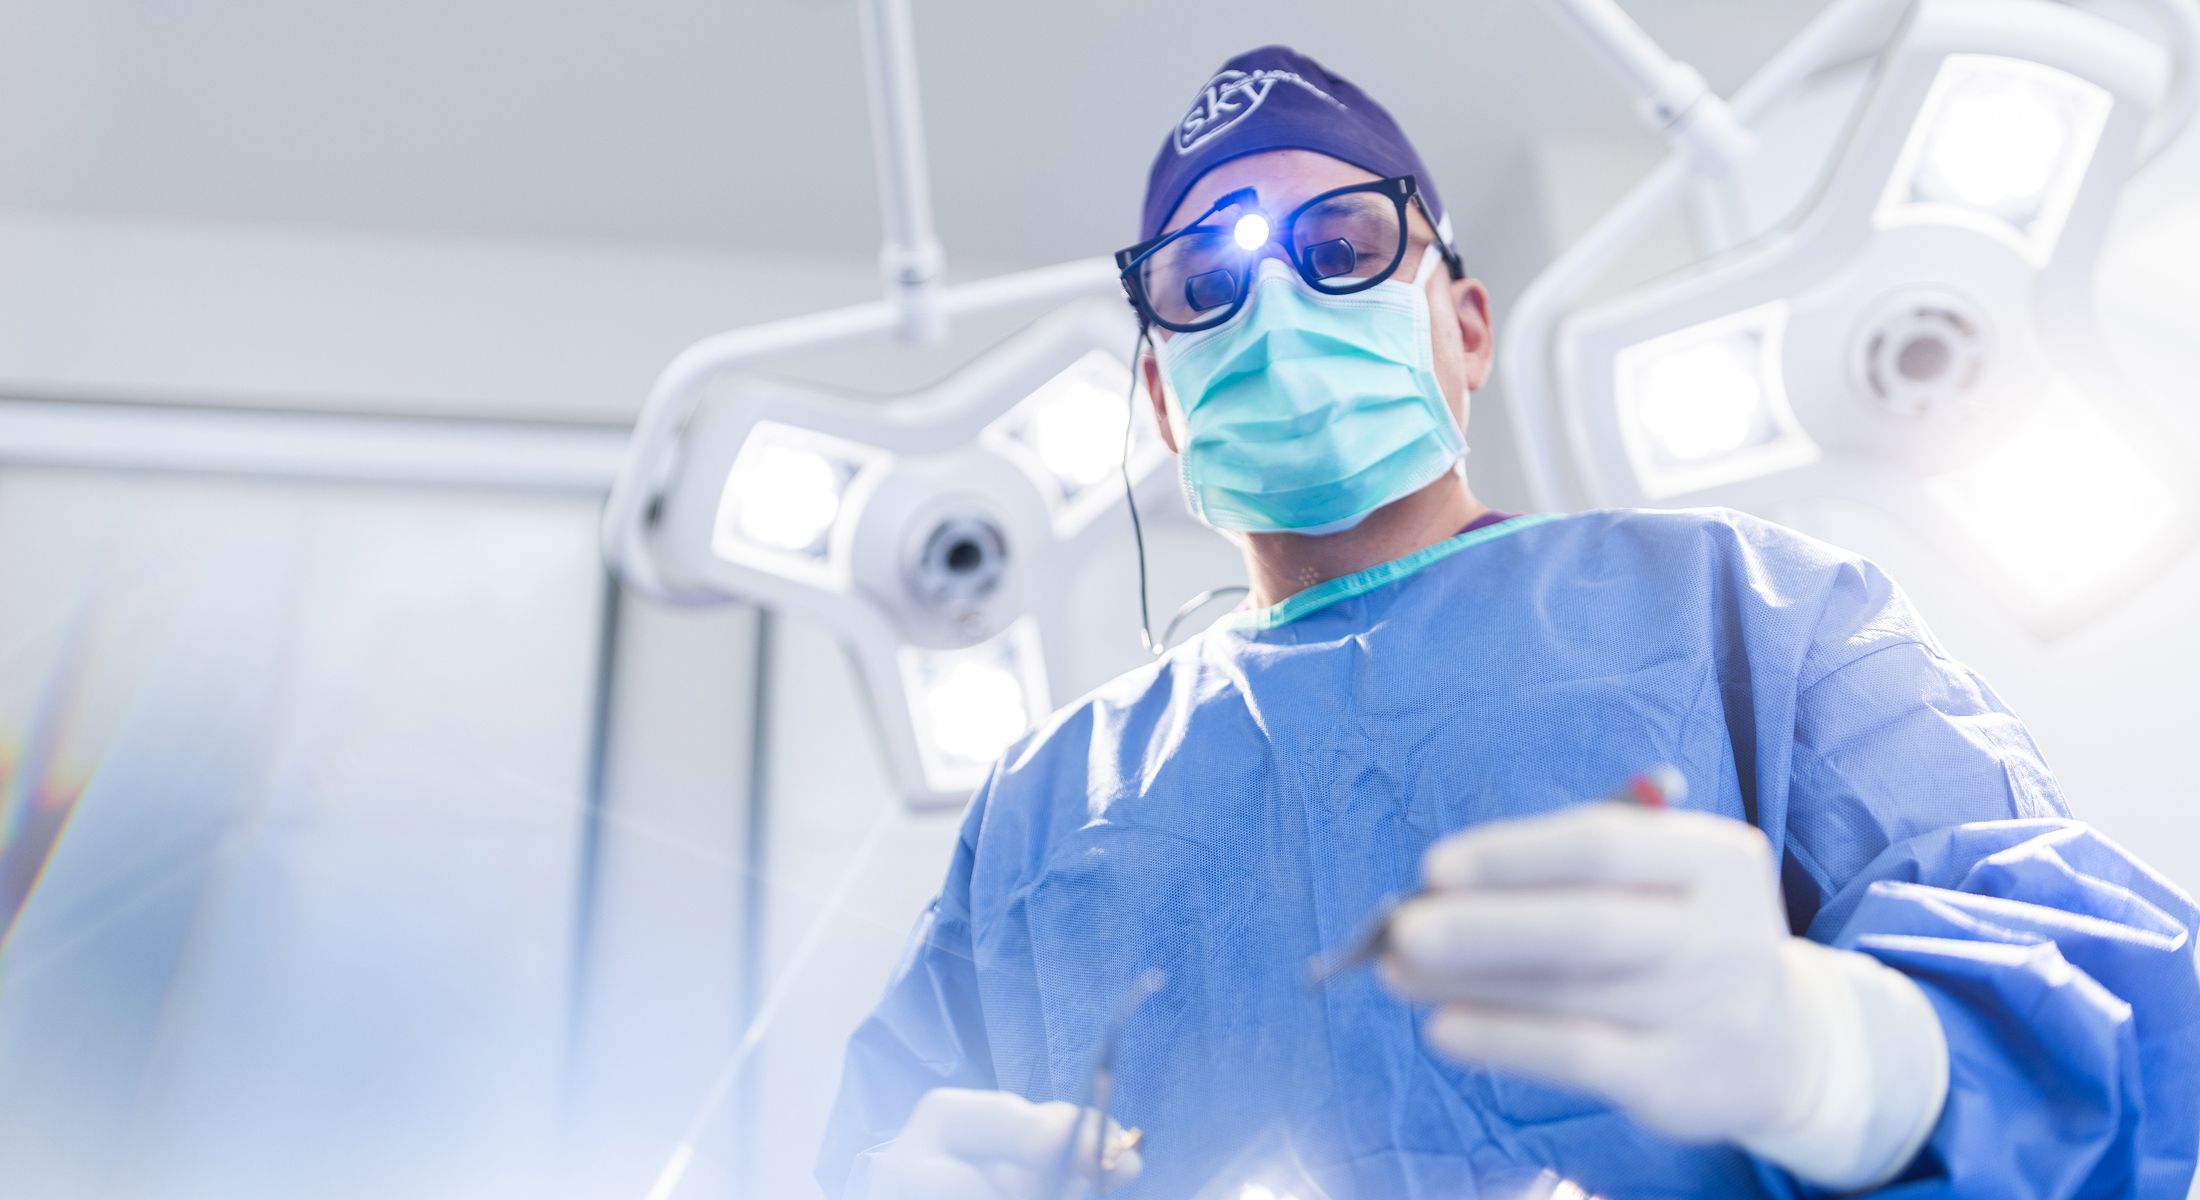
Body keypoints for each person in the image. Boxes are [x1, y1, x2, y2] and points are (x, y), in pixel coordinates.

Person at [817, 45, 2200, 1200]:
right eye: (1203, 286)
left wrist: (1845, 1061)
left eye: (1341, 247)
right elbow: (867, 1135)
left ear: (1467, 326)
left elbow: (2114, 1024)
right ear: (1164, 401)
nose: (1274, 308)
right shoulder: (1043, 805)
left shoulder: (1744, 606)